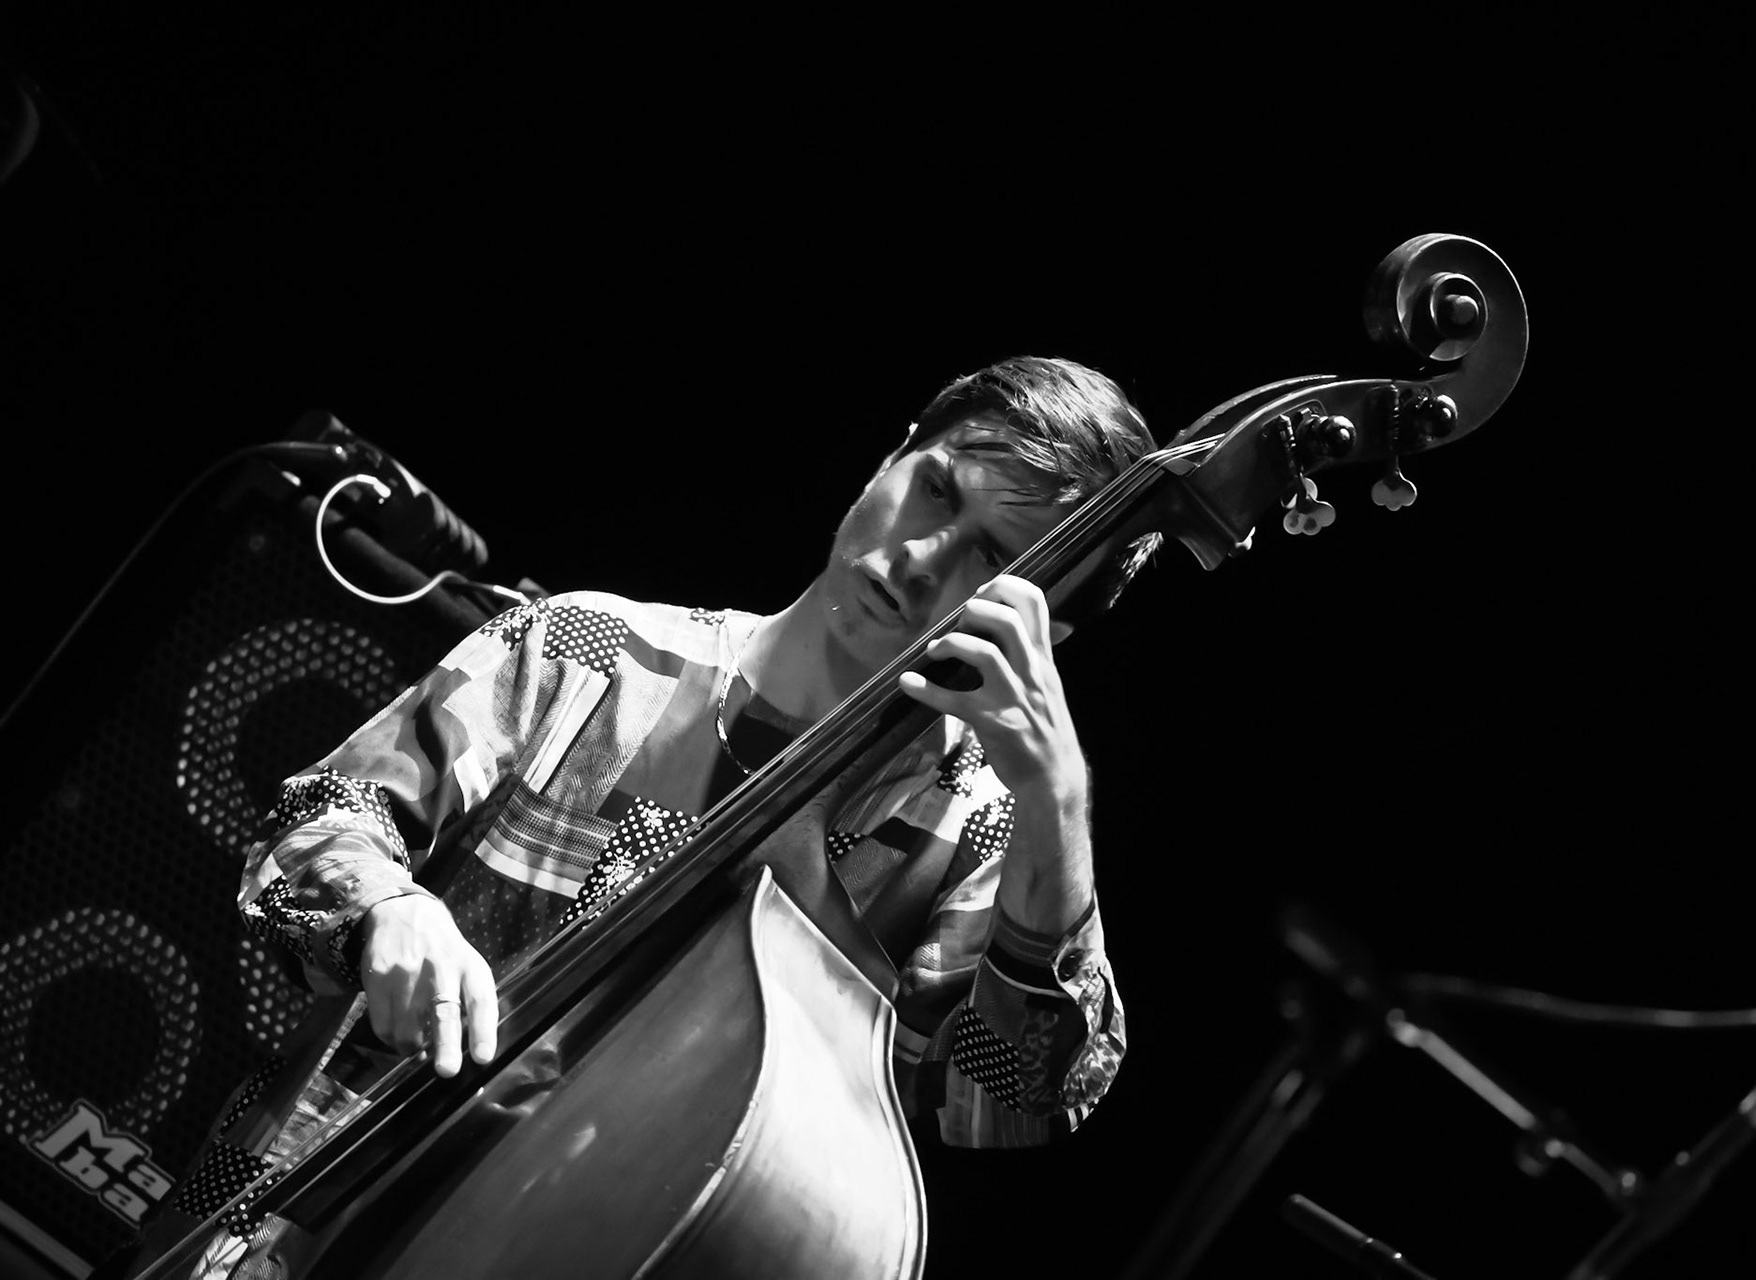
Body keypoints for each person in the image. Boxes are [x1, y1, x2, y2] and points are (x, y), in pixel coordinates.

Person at [126, 354, 1161, 1279]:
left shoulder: (979, 834)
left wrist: (1056, 796)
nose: (925, 556)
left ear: (1046, 625)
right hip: (267, 1226)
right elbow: (317, 818)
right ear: (891, 456)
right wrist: (388, 905)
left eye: (993, 557)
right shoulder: (590, 648)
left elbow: (1016, 1099)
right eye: (934, 487)